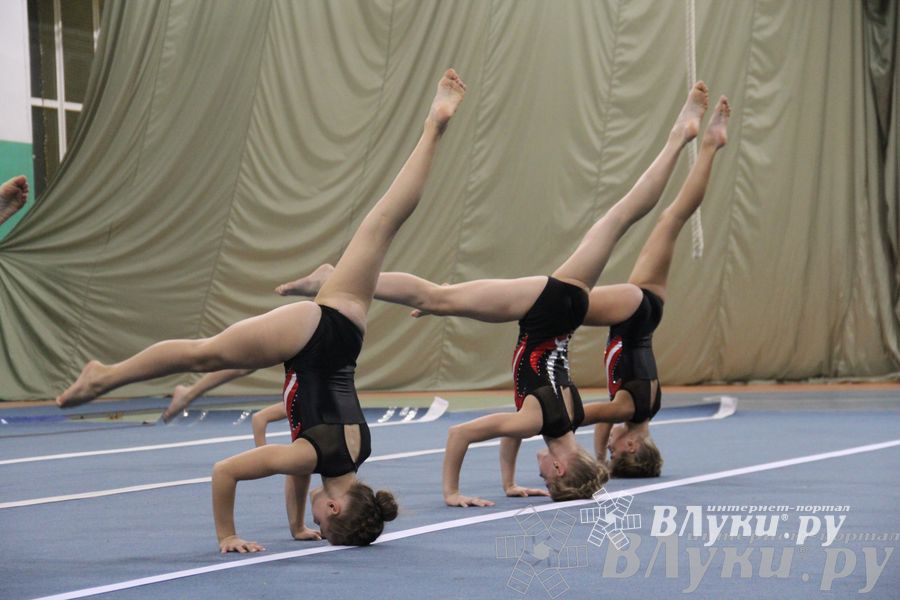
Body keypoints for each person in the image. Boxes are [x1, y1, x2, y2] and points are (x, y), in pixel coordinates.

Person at [56, 69, 468, 551]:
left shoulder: (356, 453)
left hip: (347, 328)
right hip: (308, 338)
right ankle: (104, 376)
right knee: (202, 354)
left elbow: (305, 466)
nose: (319, 524)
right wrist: (228, 535)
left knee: (384, 222)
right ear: (335, 508)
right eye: (323, 526)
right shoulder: (309, 458)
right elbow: (225, 471)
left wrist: (296, 526)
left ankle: (433, 127)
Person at [276, 82, 712, 507]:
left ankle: (679, 138)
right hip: (544, 310)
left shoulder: (570, 415)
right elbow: (460, 434)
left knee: (621, 217)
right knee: (434, 298)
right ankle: (332, 278)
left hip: (569, 309)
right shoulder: (535, 420)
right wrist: (452, 492)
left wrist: (508, 483)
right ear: (560, 468)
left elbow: (516, 433)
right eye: (547, 478)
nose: (541, 476)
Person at [585, 94, 731, 478]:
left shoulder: (649, 408)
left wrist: (601, 457)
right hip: (630, 314)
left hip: (650, 310)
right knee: (557, 300)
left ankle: (711, 145)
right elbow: (586, 415)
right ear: (632, 446)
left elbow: (606, 419)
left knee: (673, 217)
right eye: (616, 451)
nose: (610, 445)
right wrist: (596, 460)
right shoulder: (626, 410)